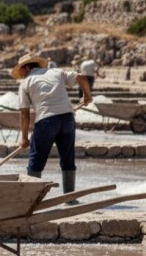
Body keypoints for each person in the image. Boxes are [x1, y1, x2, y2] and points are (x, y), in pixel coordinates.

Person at [12, 54, 92, 205]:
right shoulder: (55, 72)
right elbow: (81, 77)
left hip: (47, 121)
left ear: (27, 68)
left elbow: (24, 113)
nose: (21, 75)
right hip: (67, 119)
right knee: (68, 159)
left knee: (35, 162)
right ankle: (70, 198)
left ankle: (31, 200)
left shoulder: (26, 83)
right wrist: (87, 96)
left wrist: (24, 138)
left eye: (21, 71)